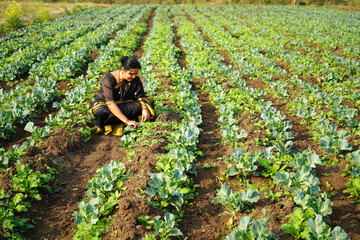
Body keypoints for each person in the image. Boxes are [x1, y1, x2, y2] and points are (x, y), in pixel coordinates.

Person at [92, 56, 156, 136]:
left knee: (146, 104)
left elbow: (141, 95)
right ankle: (126, 120)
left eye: (136, 74)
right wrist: (126, 121)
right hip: (105, 107)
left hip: (123, 105)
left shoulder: (135, 79)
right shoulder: (109, 80)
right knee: (102, 114)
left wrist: (144, 108)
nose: (134, 76)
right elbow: (110, 104)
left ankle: (119, 119)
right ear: (122, 70)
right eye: (131, 74)